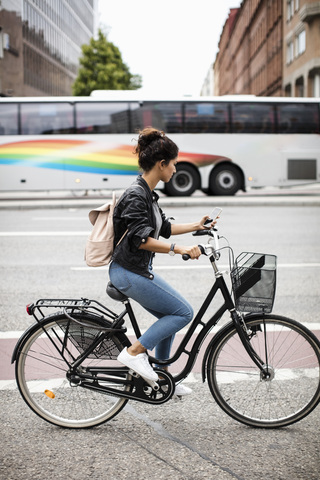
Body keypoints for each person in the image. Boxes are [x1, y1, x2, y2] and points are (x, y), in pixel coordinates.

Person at [109, 127, 216, 396]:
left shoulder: (148, 193)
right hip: (127, 271)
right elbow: (141, 240)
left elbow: (163, 227)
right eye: (175, 164)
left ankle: (160, 378)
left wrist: (197, 225)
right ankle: (134, 353)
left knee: (171, 316)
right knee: (183, 313)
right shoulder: (136, 195)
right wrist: (179, 249)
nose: (176, 169)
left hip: (137, 270)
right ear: (162, 164)